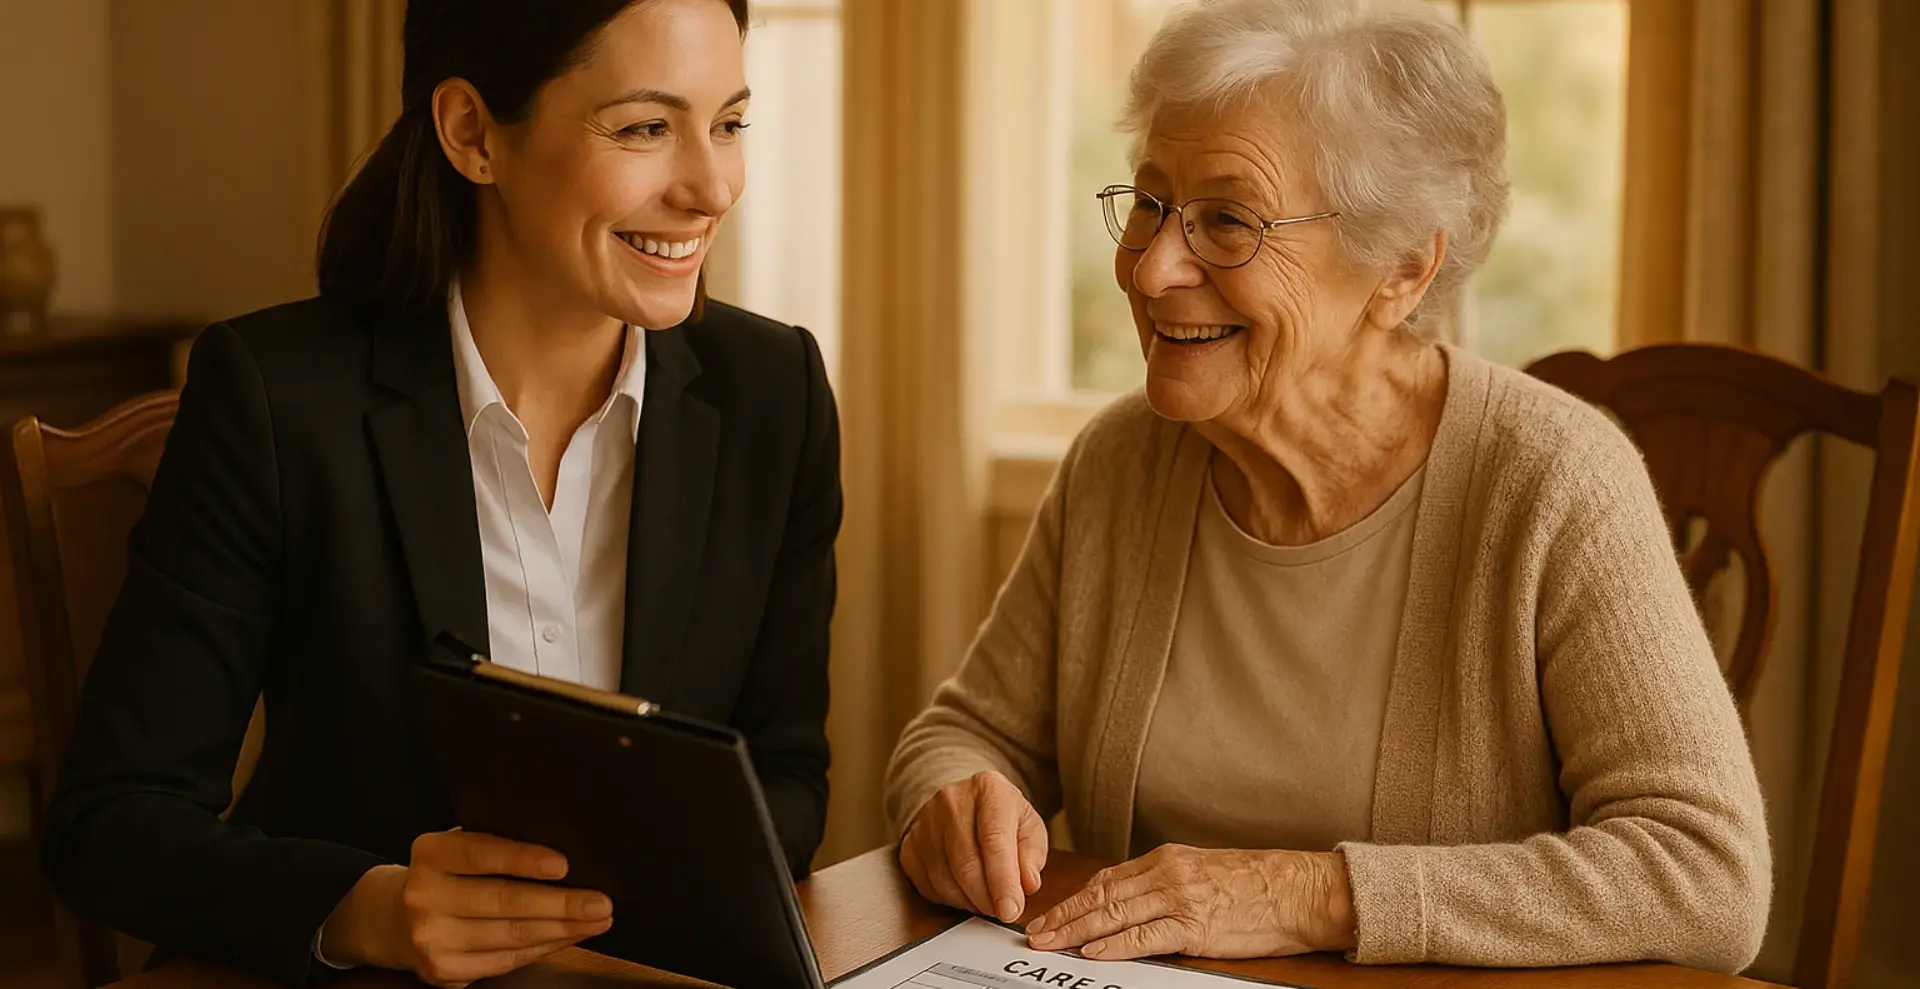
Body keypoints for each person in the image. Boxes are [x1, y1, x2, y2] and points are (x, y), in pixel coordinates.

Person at [884, 0, 1769, 972]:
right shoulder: (1120, 465)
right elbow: (964, 731)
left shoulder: (1554, 483)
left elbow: (1706, 875)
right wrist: (957, 800)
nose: (1151, 266)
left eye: (1227, 220)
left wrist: (1316, 894)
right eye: (1148, 203)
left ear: (1401, 268)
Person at [41, 1, 839, 986]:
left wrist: (627, 910)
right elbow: (110, 822)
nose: (712, 185)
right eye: (644, 127)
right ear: (472, 133)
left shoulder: (778, 393)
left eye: (729, 122)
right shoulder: (276, 395)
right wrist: (362, 906)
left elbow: (791, 774)